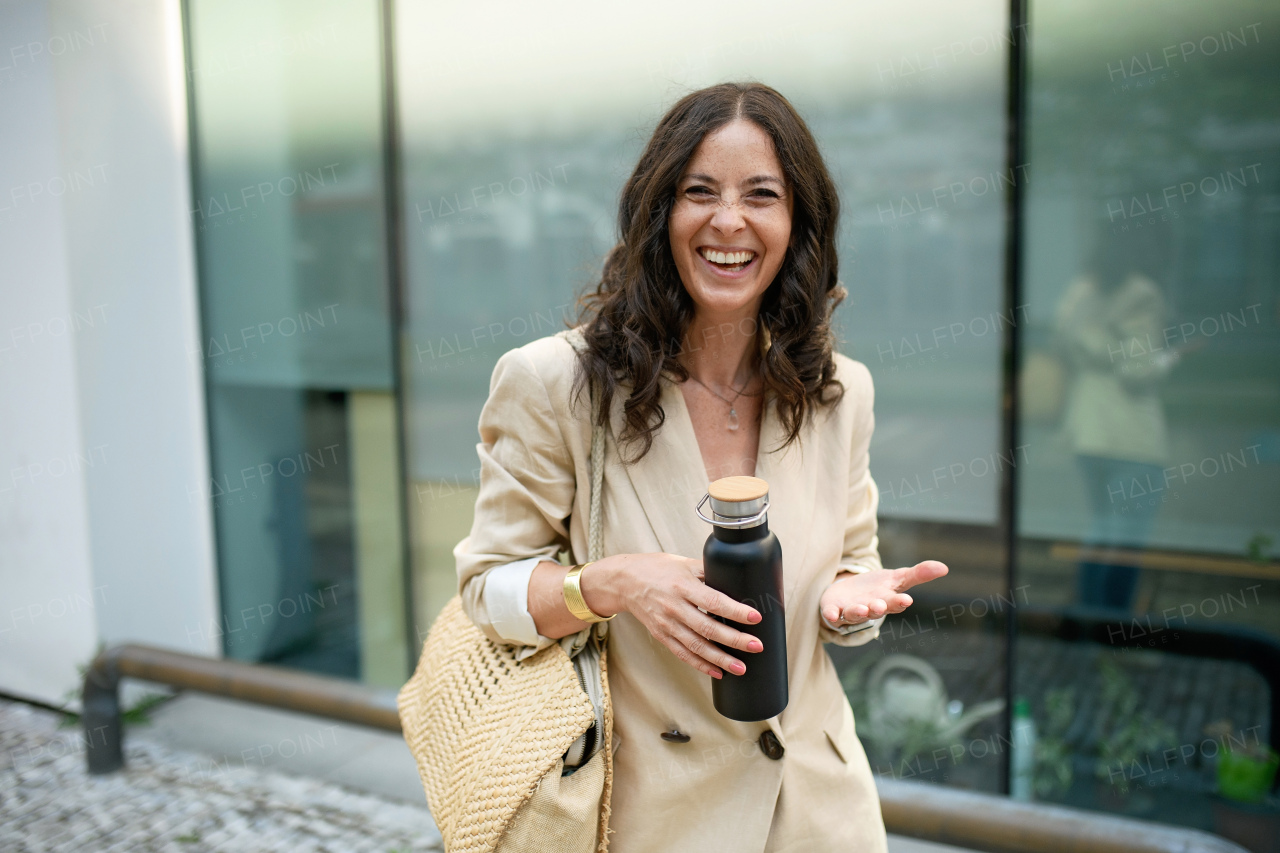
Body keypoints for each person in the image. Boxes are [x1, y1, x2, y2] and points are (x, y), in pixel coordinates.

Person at [455, 82, 949, 853]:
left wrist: (852, 598)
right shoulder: (556, 383)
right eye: (699, 192)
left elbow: (853, 563)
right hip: (651, 818)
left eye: (762, 195)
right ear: (660, 214)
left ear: (797, 224)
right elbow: (488, 588)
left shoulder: (841, 391)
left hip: (820, 814)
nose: (729, 221)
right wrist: (607, 584)